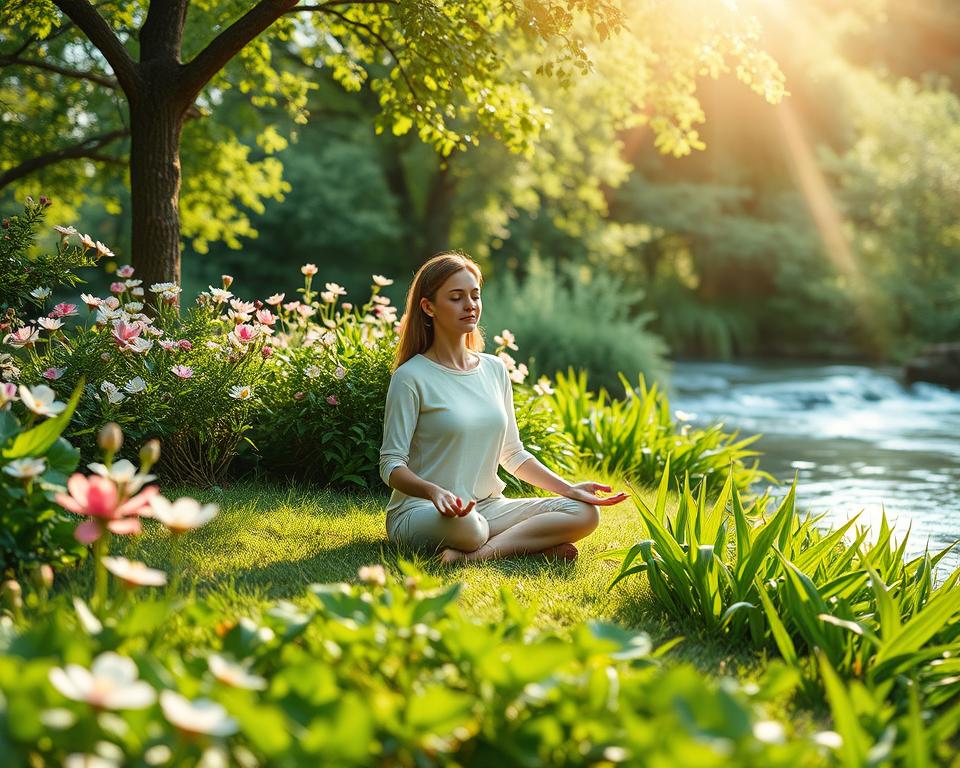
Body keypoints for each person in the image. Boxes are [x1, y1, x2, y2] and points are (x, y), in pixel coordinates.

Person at [378, 251, 628, 564]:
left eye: (475, 295)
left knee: (584, 513)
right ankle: (525, 544)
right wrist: (434, 492)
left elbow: (513, 455)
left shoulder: (494, 369)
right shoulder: (411, 376)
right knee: (470, 528)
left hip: (487, 508)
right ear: (429, 307)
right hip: (423, 511)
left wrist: (569, 490)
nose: (470, 305)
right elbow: (391, 464)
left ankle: (476, 556)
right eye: (456, 297)